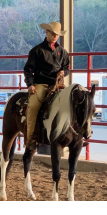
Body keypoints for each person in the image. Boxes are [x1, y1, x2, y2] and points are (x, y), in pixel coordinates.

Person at [24, 21, 70, 150]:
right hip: (41, 84)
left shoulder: (63, 52)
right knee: (33, 106)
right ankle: (31, 139)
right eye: (53, 33)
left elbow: (67, 68)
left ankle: (73, 136)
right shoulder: (37, 50)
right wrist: (30, 84)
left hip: (58, 84)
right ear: (47, 32)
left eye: (57, 34)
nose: (55, 36)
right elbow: (28, 69)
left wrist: (63, 72)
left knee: (72, 103)